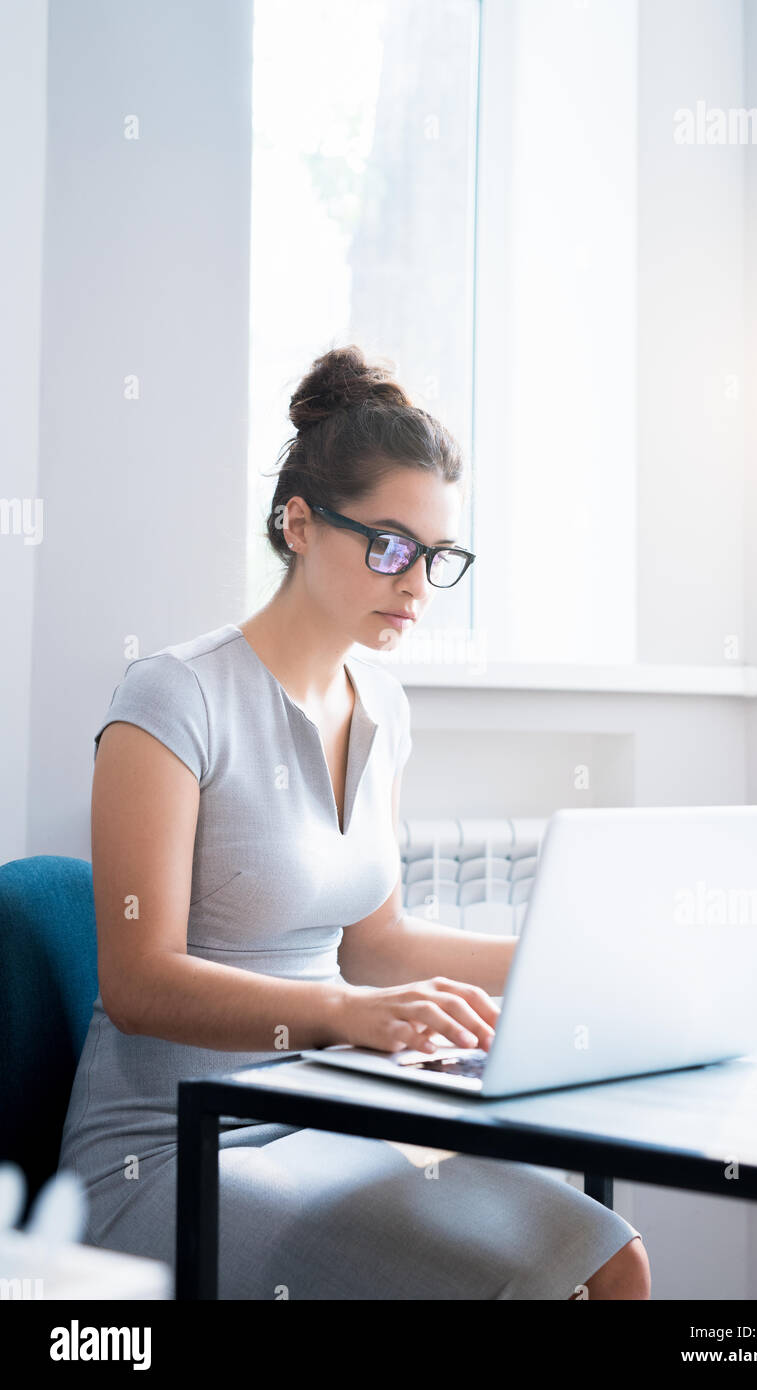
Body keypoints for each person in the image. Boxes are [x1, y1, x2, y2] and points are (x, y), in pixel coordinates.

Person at [58, 344, 650, 1299]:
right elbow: (137, 983)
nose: (416, 582)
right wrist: (347, 1019)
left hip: (326, 1110)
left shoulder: (382, 705)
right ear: (299, 524)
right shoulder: (171, 698)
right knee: (501, 1285)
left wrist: (578, 961)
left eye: (437, 556)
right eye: (389, 545)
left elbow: (377, 944)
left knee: (611, 1261)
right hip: (169, 1151)